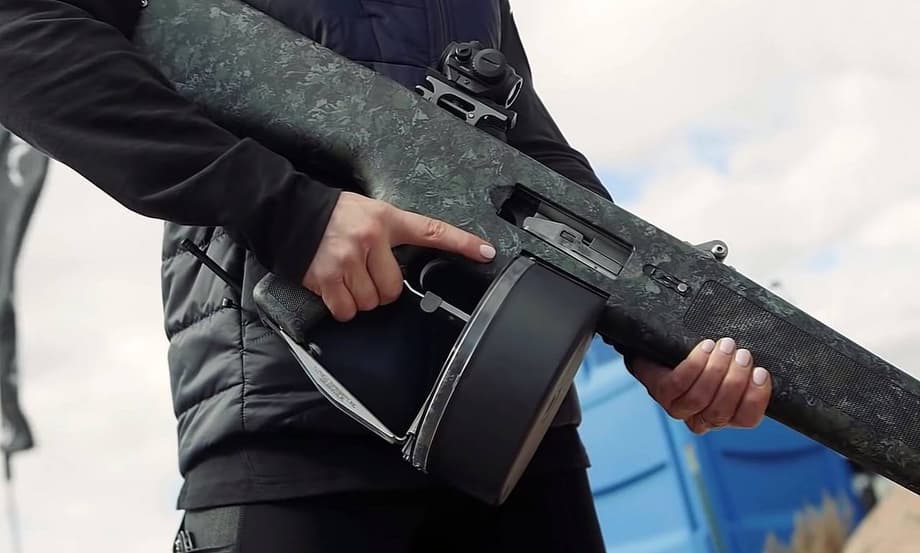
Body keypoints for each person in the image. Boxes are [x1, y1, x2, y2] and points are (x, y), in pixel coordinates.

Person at [0, 1, 773, 551]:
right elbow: (20, 29)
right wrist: (289, 212)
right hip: (287, 431)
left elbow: (532, 161)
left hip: (517, 436)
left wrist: (652, 329)